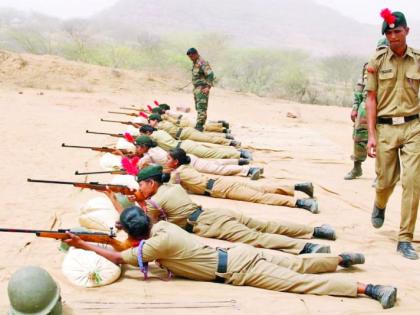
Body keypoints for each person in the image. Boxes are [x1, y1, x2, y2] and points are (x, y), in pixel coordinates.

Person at [64, 207, 398, 309]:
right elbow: (140, 225)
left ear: (134, 234)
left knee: (301, 282)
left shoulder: (150, 249)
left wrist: (82, 243)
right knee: (298, 264)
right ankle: (342, 259)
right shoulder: (163, 227)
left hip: (236, 269)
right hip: (236, 253)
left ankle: (368, 288)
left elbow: (118, 257)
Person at [111, 165, 335, 254]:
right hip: (213, 213)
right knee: (265, 225)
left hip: (206, 224)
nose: (140, 188)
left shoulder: (152, 203)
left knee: (258, 238)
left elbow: (142, 227)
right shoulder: (171, 187)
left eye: (141, 184)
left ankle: (310, 247)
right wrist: (140, 200)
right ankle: (317, 231)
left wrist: (117, 201)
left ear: (150, 183)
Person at [366, 9, 420, 260]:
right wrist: (372, 135)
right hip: (386, 128)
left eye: (397, 31)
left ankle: (405, 238)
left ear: (407, 31)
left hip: (413, 127)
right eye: (388, 33)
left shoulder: (418, 59)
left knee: (412, 182)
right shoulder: (376, 61)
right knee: (386, 182)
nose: (393, 37)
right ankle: (380, 203)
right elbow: (371, 98)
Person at [166, 148, 319, 212]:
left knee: (259, 197)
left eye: (168, 159)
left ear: (175, 162)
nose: (166, 161)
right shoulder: (185, 166)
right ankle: (298, 187)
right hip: (218, 183)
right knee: (261, 189)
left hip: (218, 188)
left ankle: (301, 203)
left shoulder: (177, 173)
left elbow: (171, 189)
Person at [345, 38, 389, 180]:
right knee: (359, 138)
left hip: (384, 107)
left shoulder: (393, 67)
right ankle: (356, 168)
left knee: (383, 141)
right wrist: (355, 107)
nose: (381, 52)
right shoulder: (368, 66)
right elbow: (360, 88)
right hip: (365, 108)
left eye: (385, 50)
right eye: (379, 49)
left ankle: (380, 174)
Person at [134, 135, 262, 179]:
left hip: (189, 163)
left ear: (144, 146)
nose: (137, 149)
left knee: (217, 169)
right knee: (215, 163)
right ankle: (240, 161)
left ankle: (249, 170)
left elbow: (141, 163)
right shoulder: (152, 151)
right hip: (184, 159)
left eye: (138, 146)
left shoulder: (151, 154)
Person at [139, 125, 253, 160]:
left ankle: (241, 154)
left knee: (212, 154)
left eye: (142, 134)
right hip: (184, 144)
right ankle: (238, 152)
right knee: (211, 151)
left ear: (147, 133)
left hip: (185, 147)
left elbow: (144, 144)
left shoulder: (153, 136)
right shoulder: (159, 132)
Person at [147, 113, 240, 147]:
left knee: (208, 139)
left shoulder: (160, 126)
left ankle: (230, 142)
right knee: (208, 137)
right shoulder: (163, 122)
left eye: (149, 121)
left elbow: (153, 130)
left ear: (155, 120)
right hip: (185, 133)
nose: (149, 123)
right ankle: (227, 138)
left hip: (186, 133)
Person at [186, 48, 215, 131]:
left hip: (202, 88)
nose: (190, 59)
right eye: (189, 57)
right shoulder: (195, 63)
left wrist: (208, 87)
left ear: (196, 54)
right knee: (198, 107)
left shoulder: (202, 62)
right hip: (196, 88)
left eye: (191, 57)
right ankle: (200, 124)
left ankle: (199, 126)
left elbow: (210, 74)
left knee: (202, 107)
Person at [158, 103, 230, 134]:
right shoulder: (170, 111)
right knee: (205, 124)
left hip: (184, 120)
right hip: (185, 118)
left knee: (204, 126)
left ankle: (223, 127)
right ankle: (222, 125)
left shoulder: (167, 113)